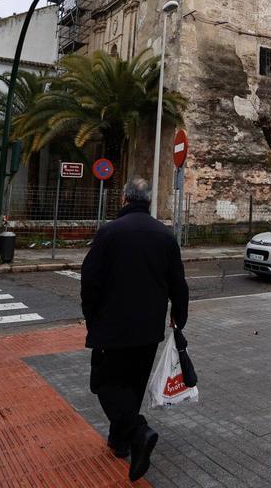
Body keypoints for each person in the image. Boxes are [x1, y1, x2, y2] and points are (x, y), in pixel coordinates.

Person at [80, 177, 188, 482]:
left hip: (112, 328)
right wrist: (179, 317)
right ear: (149, 202)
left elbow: (90, 280)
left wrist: (91, 316)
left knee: (104, 383)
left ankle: (138, 431)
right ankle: (120, 442)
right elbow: (178, 284)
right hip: (149, 329)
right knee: (133, 384)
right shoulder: (165, 236)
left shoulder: (110, 233)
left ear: (124, 199)